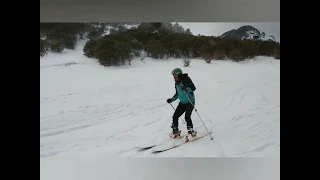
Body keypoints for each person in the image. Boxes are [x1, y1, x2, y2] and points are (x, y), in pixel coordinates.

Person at [167, 68, 197, 139]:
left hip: (190, 102)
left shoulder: (186, 79)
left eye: (174, 75)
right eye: (173, 76)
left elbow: (193, 88)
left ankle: (191, 132)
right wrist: (171, 99)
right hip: (182, 103)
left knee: (187, 117)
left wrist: (186, 89)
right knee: (175, 116)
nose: (173, 77)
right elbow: (178, 94)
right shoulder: (177, 84)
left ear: (178, 75)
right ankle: (175, 131)